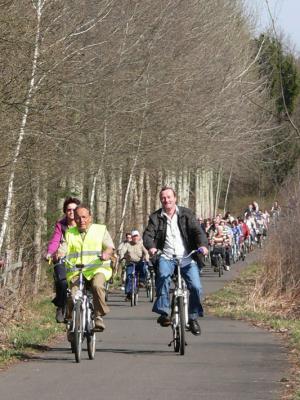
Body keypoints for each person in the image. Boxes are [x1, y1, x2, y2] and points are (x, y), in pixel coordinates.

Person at [143, 186, 208, 336]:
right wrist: (151, 247)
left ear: (175, 198)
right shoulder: (155, 217)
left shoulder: (186, 214)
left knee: (196, 287)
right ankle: (164, 313)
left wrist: (203, 246)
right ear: (161, 200)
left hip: (186, 257)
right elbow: (147, 235)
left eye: (169, 197)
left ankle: (193, 318)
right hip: (167, 257)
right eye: (163, 198)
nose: (166, 200)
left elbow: (198, 232)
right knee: (163, 277)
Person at [64, 205, 115, 332]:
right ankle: (71, 324)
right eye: (78, 218)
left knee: (97, 286)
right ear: (74, 219)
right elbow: (63, 247)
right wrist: (58, 254)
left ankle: (98, 316)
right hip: (77, 271)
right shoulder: (70, 233)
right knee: (72, 295)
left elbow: (109, 247)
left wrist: (106, 253)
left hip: (97, 269)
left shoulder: (100, 230)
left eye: (84, 217)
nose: (81, 221)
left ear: (90, 218)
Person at [46, 196, 81, 323]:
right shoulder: (61, 225)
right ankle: (61, 306)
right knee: (62, 282)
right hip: (63, 257)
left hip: (80, 259)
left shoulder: (82, 223)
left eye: (74, 209)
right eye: (68, 210)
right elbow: (55, 241)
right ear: (65, 211)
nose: (71, 212)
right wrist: (50, 253)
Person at [119, 230, 149, 300]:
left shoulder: (141, 244)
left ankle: (141, 281)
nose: (135, 238)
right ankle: (128, 293)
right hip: (130, 263)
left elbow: (146, 252)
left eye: (136, 236)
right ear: (131, 238)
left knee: (143, 268)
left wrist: (146, 257)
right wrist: (122, 257)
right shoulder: (127, 244)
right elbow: (122, 251)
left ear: (139, 237)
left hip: (139, 262)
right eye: (134, 236)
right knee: (129, 276)